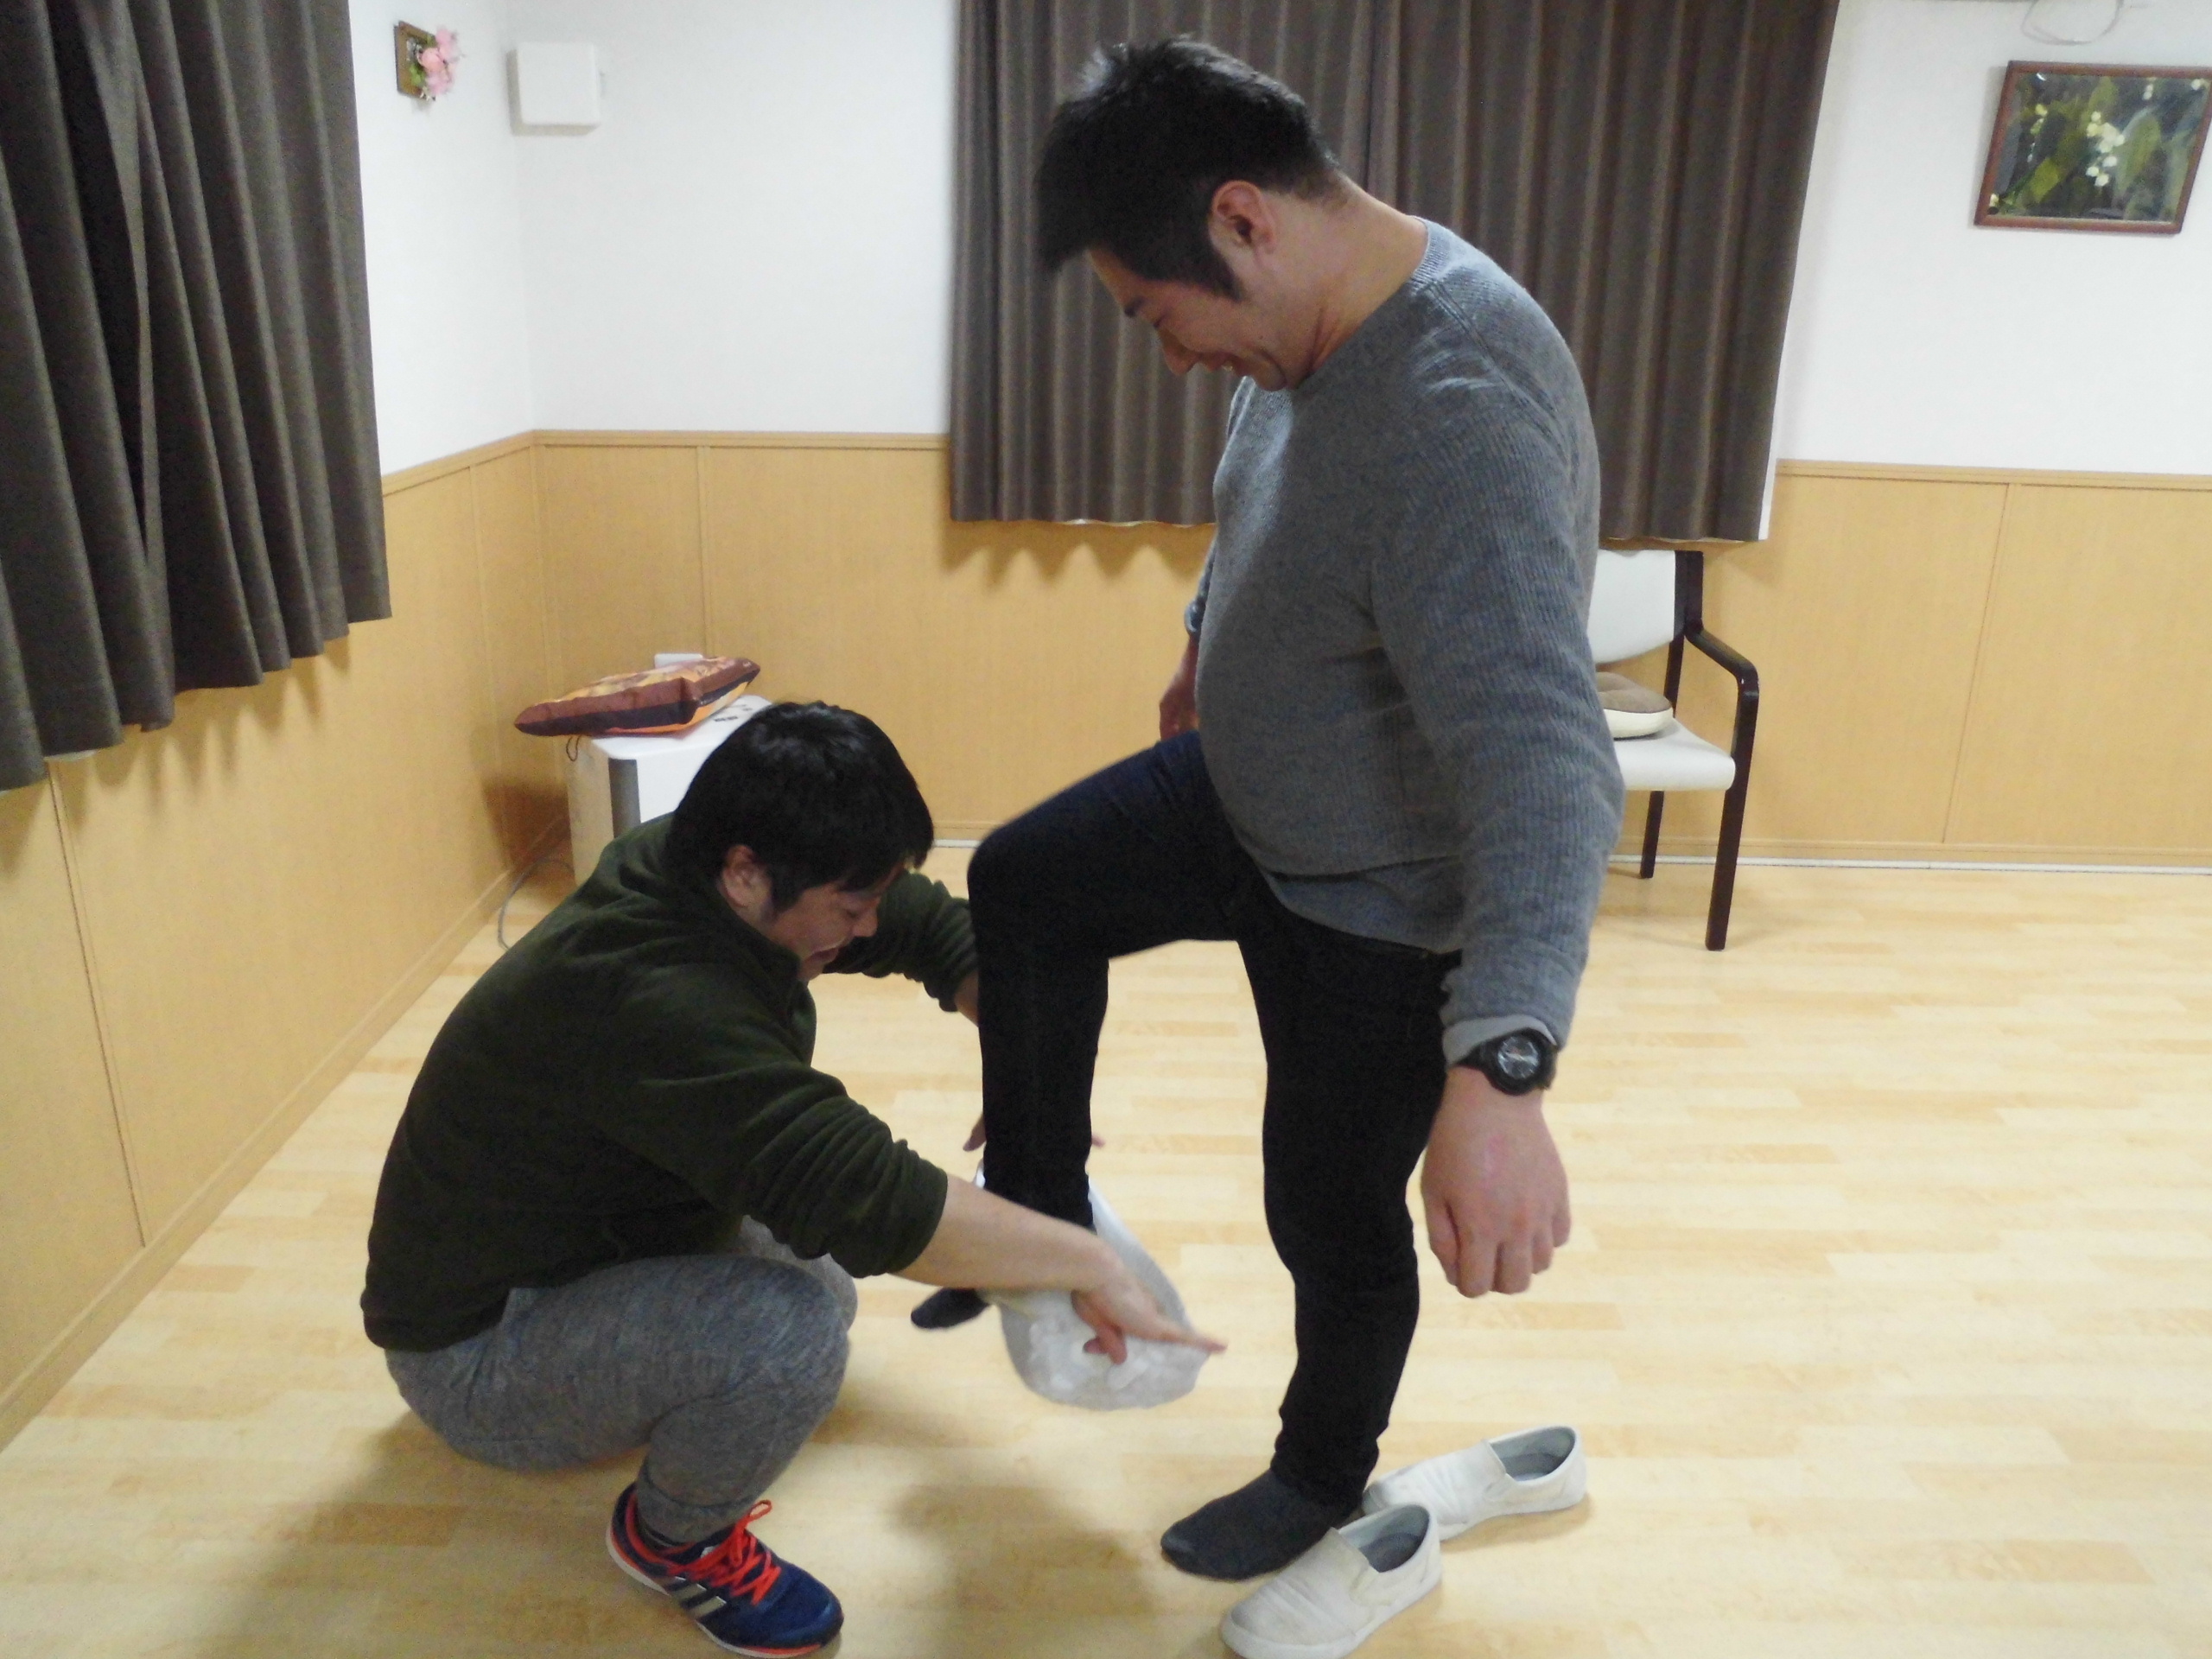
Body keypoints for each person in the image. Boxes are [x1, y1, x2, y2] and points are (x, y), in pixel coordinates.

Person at [909, 39, 1624, 1581]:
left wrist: (1503, 1070)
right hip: (1249, 790)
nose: (1173, 359)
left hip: (1378, 895)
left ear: (1243, 218)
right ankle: (1038, 1222)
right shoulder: (1309, 324)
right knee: (1026, 883)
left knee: (1326, 1209)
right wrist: (1202, 646)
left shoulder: (1453, 412)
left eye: (1157, 316)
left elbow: (1547, 757)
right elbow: (1264, 505)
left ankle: (1316, 1475)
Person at [361, 702, 1217, 1656]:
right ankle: (671, 1540)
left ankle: (661, 1398)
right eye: (850, 907)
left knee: (821, 1290)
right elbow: (869, 1197)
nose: (869, 925)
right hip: (479, 1350)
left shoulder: (695, 866)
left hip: (588, 1243)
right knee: (789, 1336)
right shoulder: (654, 1000)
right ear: (745, 873)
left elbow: (936, 930)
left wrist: (1023, 1069)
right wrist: (1089, 1262)